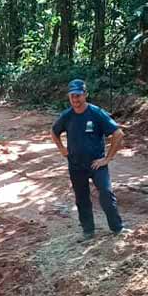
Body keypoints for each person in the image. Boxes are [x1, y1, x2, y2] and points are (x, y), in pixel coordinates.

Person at [51, 79, 125, 241]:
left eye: (78, 95)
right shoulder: (67, 116)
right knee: (81, 198)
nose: (75, 100)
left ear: (85, 95)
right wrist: (62, 149)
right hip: (76, 165)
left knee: (106, 193)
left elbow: (118, 134)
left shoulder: (96, 113)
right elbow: (54, 132)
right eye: (72, 96)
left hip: (96, 164)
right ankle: (88, 231)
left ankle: (117, 228)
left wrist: (107, 158)